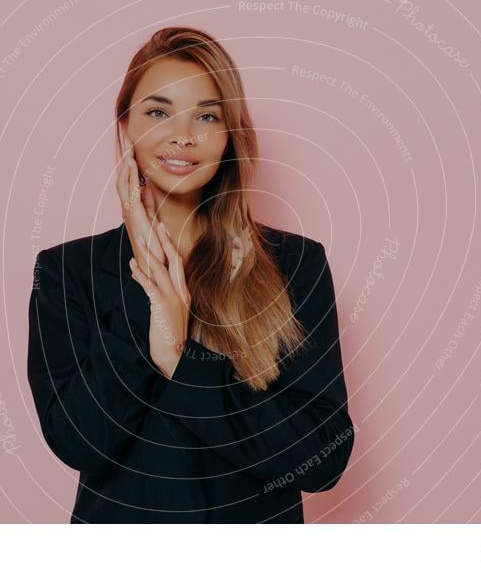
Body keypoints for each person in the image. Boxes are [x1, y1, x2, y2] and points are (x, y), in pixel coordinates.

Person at [27, 26, 354, 523]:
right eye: (158, 112)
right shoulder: (68, 272)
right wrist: (148, 295)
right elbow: (81, 441)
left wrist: (182, 357)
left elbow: (321, 460)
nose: (183, 135)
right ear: (125, 126)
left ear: (229, 135)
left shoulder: (296, 263)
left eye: (206, 115)